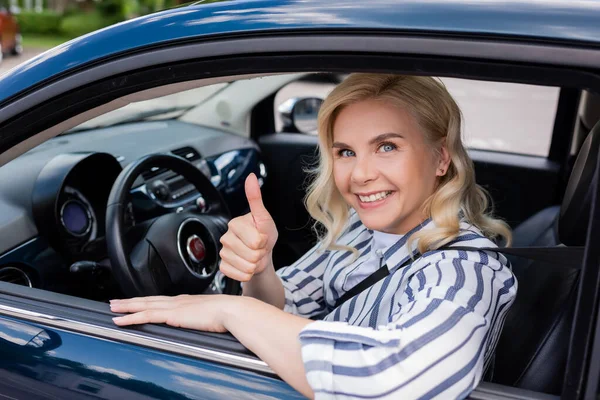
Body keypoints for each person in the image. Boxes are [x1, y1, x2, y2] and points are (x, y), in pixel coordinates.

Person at [110, 73, 517, 400]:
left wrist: (228, 310)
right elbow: (286, 303)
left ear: (441, 157)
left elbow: (397, 381)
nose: (359, 175)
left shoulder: (466, 270)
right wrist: (258, 267)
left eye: (387, 147)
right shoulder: (359, 231)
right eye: (345, 152)